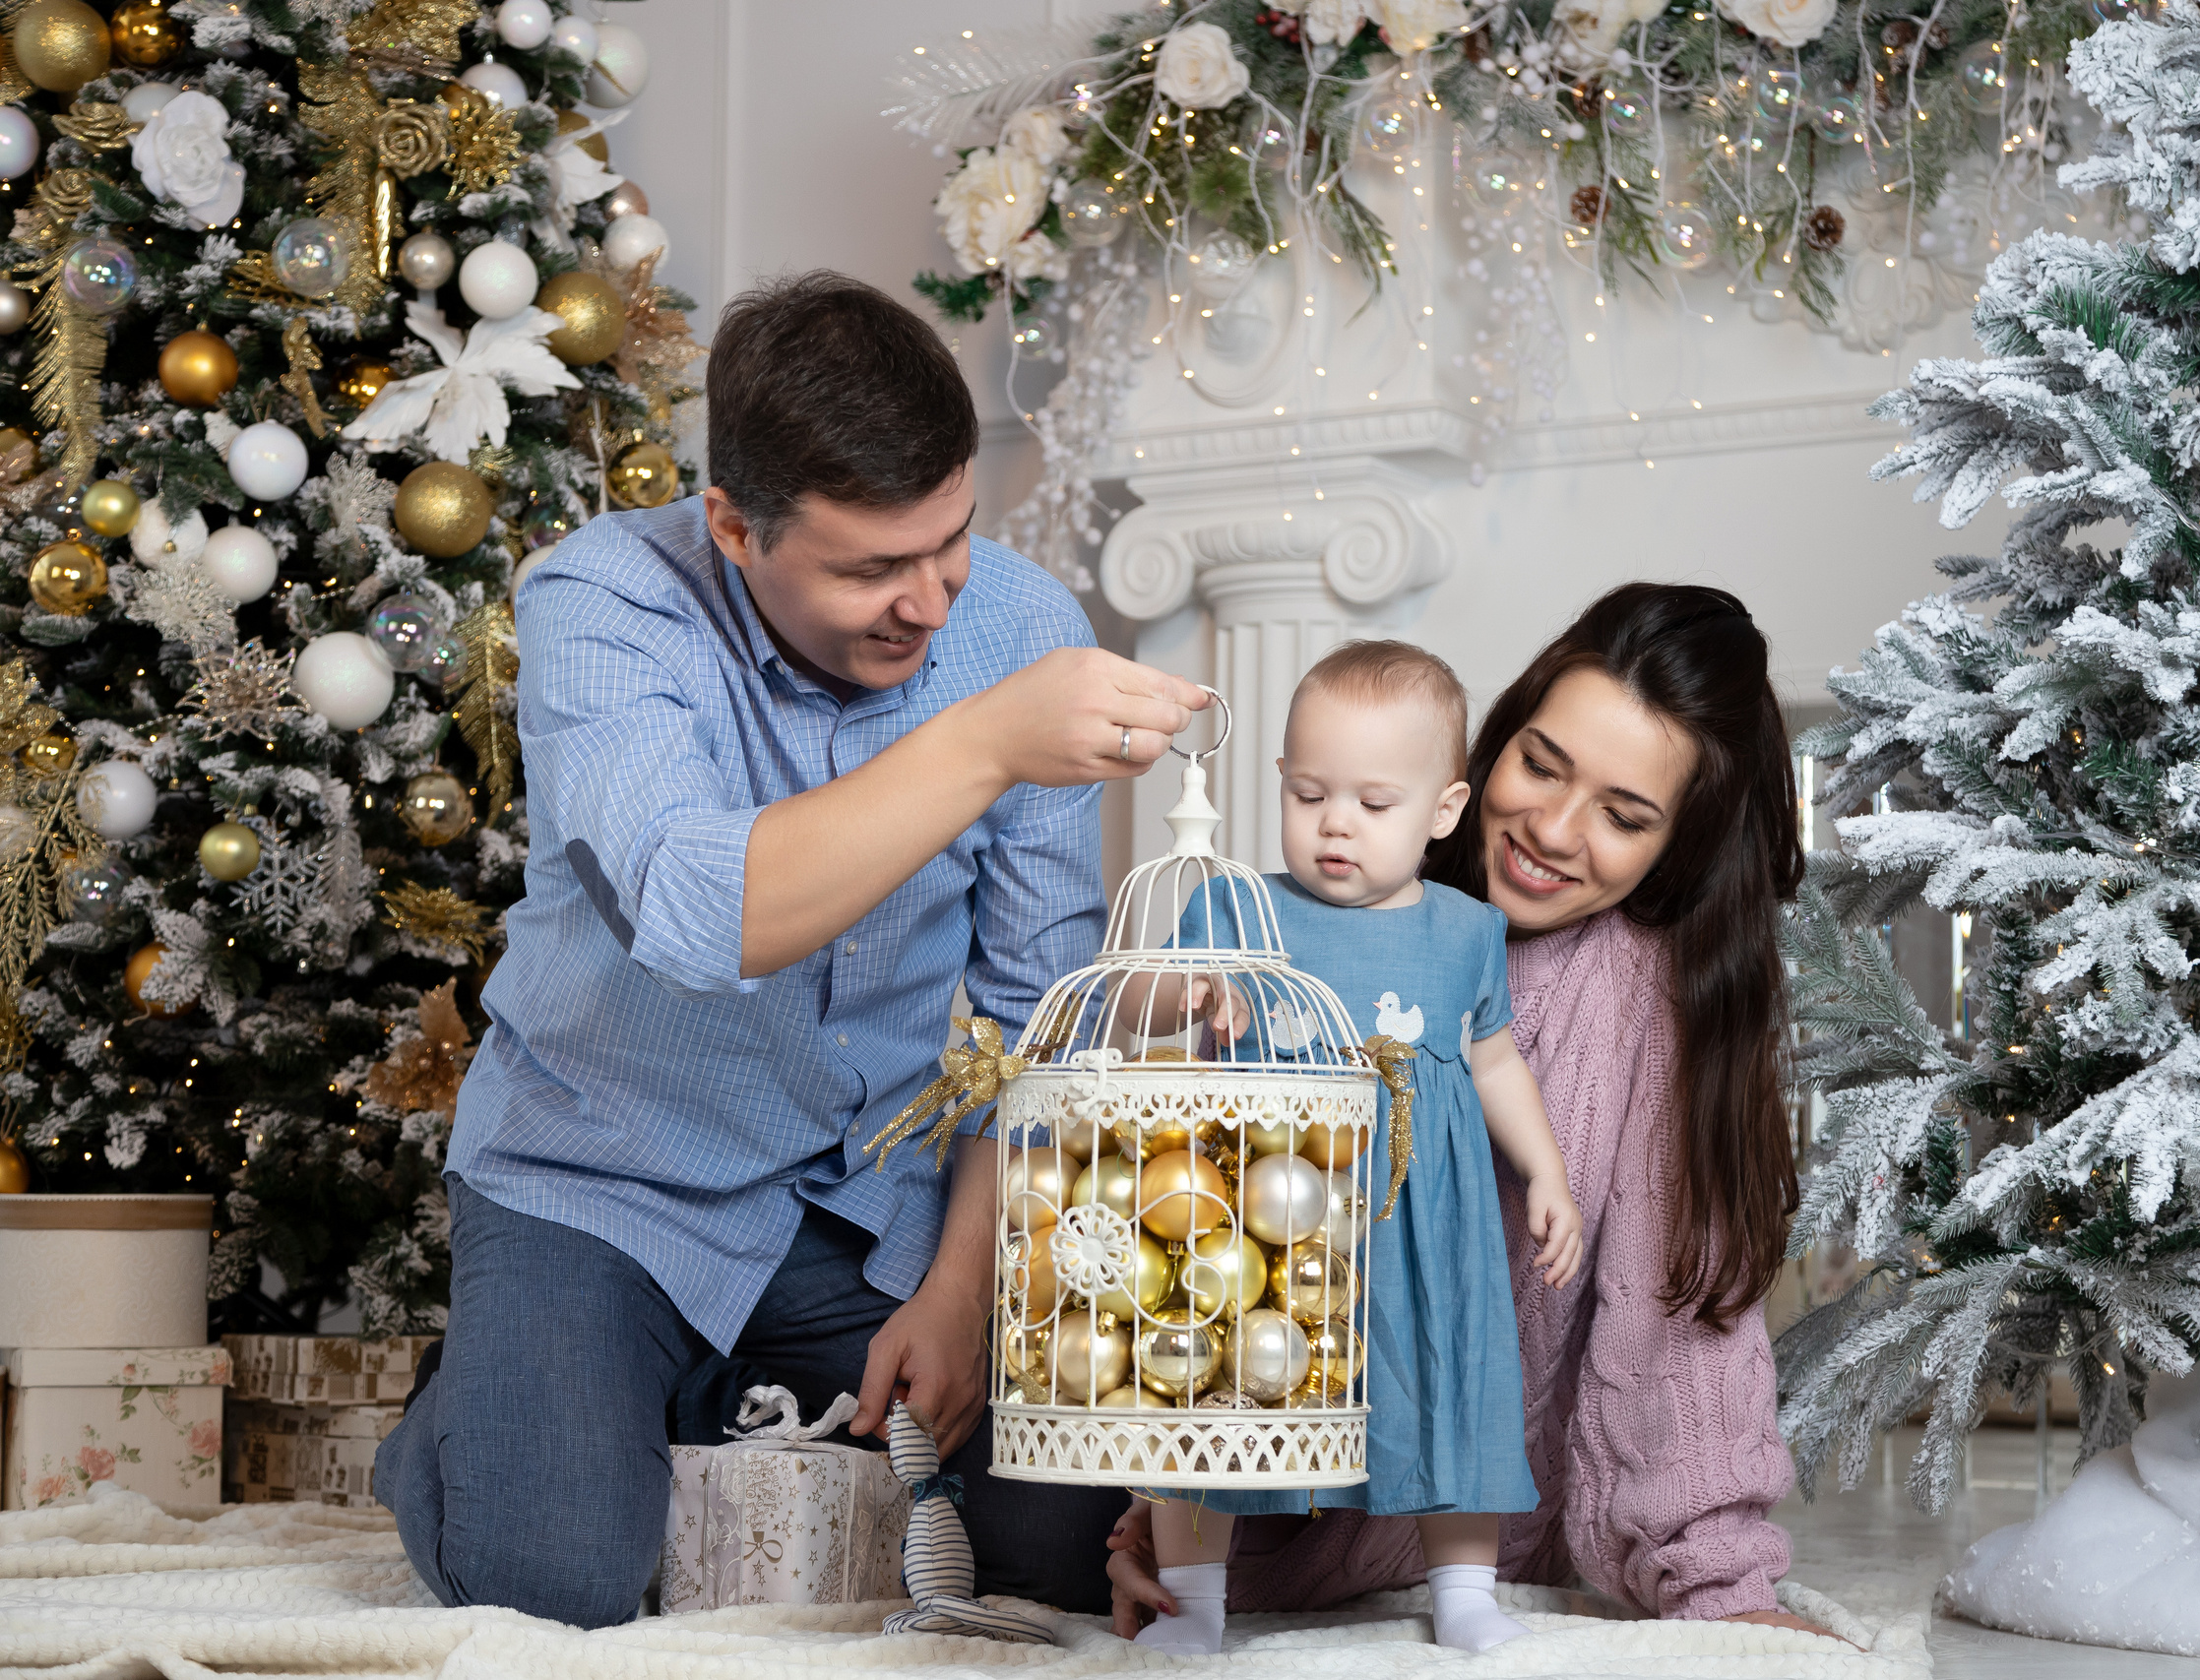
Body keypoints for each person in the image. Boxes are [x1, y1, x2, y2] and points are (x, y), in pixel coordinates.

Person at [373, 272, 1206, 1628]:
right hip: (604, 1177)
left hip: (869, 1212)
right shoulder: (600, 600)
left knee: (1059, 1544)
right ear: (734, 525)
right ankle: (487, 1400)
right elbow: (705, 915)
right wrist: (987, 738)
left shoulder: (1021, 624)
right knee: (552, 1580)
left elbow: (1031, 1012)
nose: (931, 604)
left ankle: (678, 1394)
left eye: (951, 543)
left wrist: (958, 1287)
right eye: (873, 567)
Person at [1107, 584, 1835, 1639]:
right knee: (1025, 1530)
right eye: (1540, 764)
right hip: (1253, 1455)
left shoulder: (1639, 1001)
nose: (1549, 827)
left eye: (1624, 815)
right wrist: (1155, 1517)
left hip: (1455, 1519)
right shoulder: (1320, 898)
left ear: (1676, 846)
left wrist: (1723, 1590)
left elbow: (1673, 1325)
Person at [1116, 642, 1586, 1657]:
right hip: (1260, 1220)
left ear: (1444, 812)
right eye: (1311, 793)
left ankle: (1462, 1590)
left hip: (1423, 1219)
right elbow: (1135, 1001)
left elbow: (1494, 1060)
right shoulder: (1237, 909)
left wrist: (1546, 1171)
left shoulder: (1466, 930)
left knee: (1450, 1381)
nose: (1335, 824)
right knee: (1219, 1385)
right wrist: (1192, 989)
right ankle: (1195, 1601)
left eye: (1375, 804)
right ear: (1278, 783)